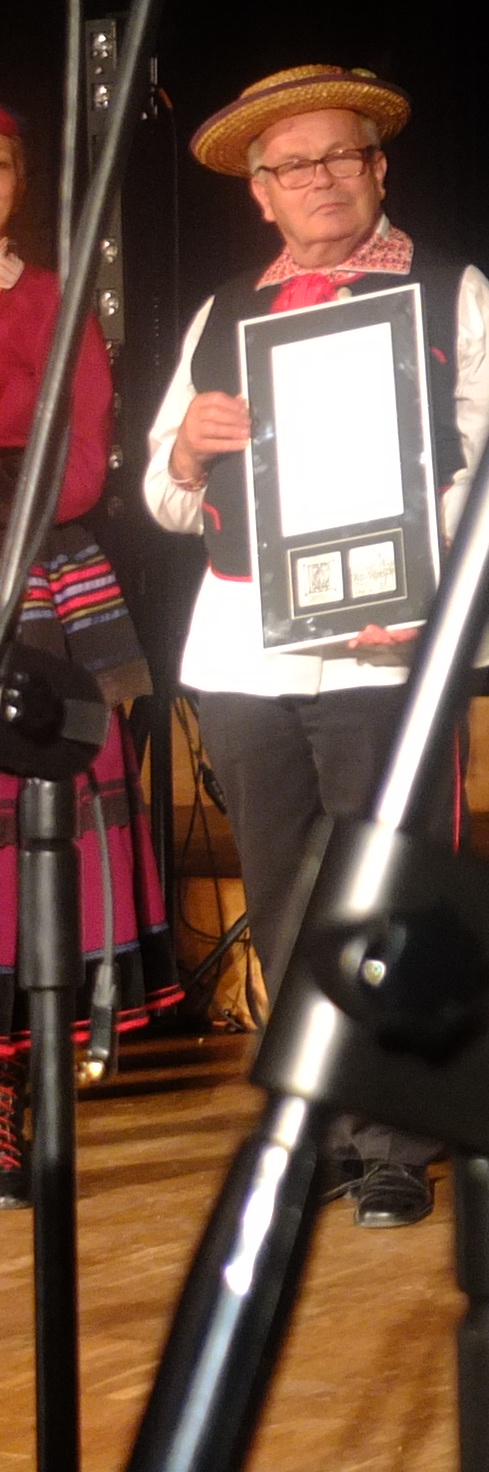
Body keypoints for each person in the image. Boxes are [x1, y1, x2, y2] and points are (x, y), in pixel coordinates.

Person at [141, 66, 489, 1229]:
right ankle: (315, 1126)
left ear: (378, 168)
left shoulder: (450, 292)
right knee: (285, 898)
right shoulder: (222, 314)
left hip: (386, 645)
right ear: (259, 193)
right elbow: (161, 494)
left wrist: (422, 590)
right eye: (292, 166)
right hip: (246, 649)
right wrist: (188, 453)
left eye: (340, 156)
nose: (319, 180)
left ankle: (396, 1134)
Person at [1, 104, 176, 1207]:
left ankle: (23, 1096)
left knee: (37, 828)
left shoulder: (53, 299)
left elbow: (81, 456)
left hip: (41, 570)